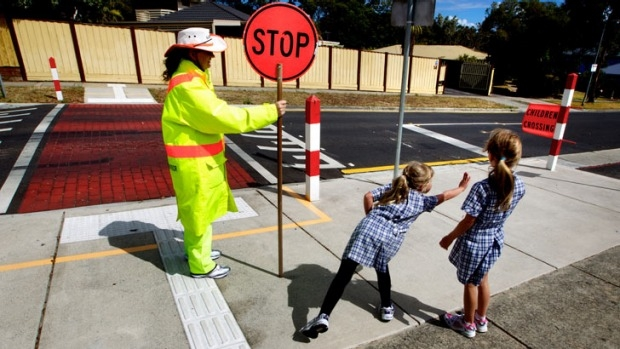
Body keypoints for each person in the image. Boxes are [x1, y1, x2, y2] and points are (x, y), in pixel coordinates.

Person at [161, 27, 287, 279]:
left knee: (198, 210)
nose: (212, 58)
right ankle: (201, 265)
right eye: (207, 53)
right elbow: (222, 116)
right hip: (195, 163)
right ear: (192, 53)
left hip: (197, 162)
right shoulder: (189, 86)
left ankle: (197, 251)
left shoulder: (193, 79)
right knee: (198, 213)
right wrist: (269, 112)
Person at [300, 161, 470, 338]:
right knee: (382, 269)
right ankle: (387, 307)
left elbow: (368, 196)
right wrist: (461, 187)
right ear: (422, 185)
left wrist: (371, 217)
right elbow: (445, 195)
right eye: (429, 181)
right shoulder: (424, 201)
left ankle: (323, 316)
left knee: (344, 274)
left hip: (367, 231)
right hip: (390, 240)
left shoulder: (395, 187)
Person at [439, 128, 526, 338]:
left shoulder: (482, 188)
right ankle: (481, 318)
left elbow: (469, 220)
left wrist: (449, 238)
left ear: (491, 156)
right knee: (483, 279)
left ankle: (467, 324)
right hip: (494, 240)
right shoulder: (519, 185)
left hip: (475, 242)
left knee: (470, 282)